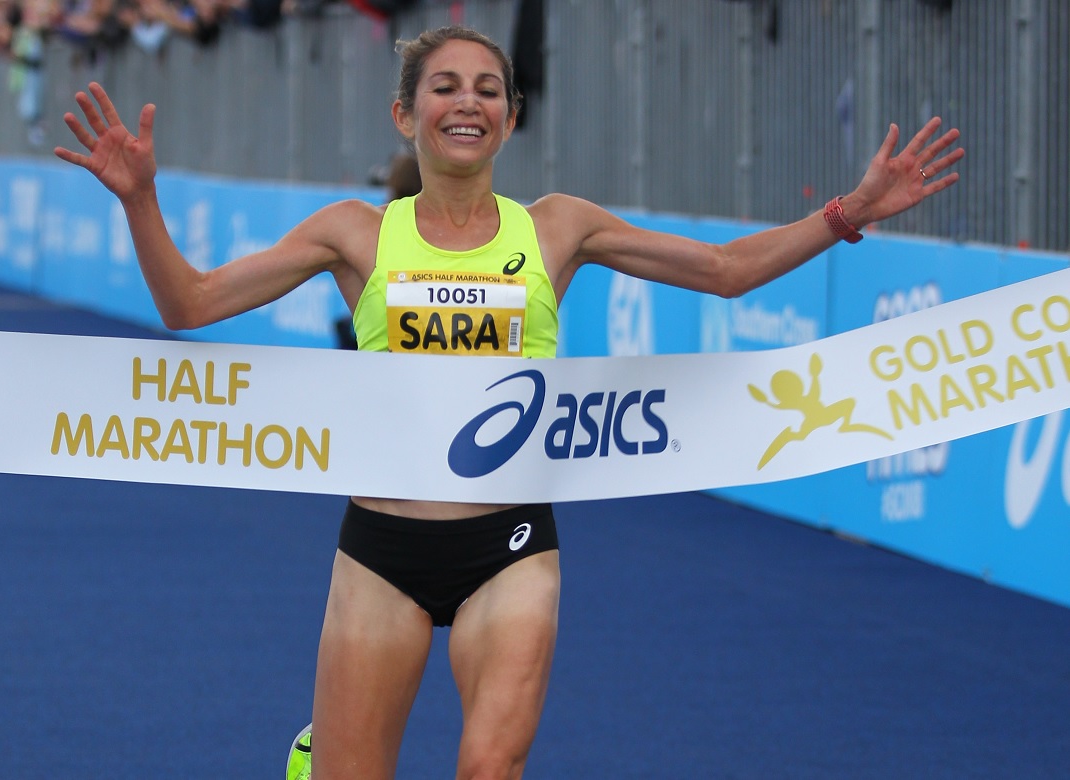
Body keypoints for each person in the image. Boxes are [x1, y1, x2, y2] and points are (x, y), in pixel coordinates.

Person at [54, 24, 963, 780]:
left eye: (489, 89)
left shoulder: (557, 227)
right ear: (406, 114)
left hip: (512, 543)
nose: (469, 102)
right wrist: (141, 201)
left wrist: (851, 210)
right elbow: (190, 305)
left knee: (491, 769)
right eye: (445, 87)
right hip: (382, 549)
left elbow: (723, 274)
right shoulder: (355, 234)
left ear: (510, 118)